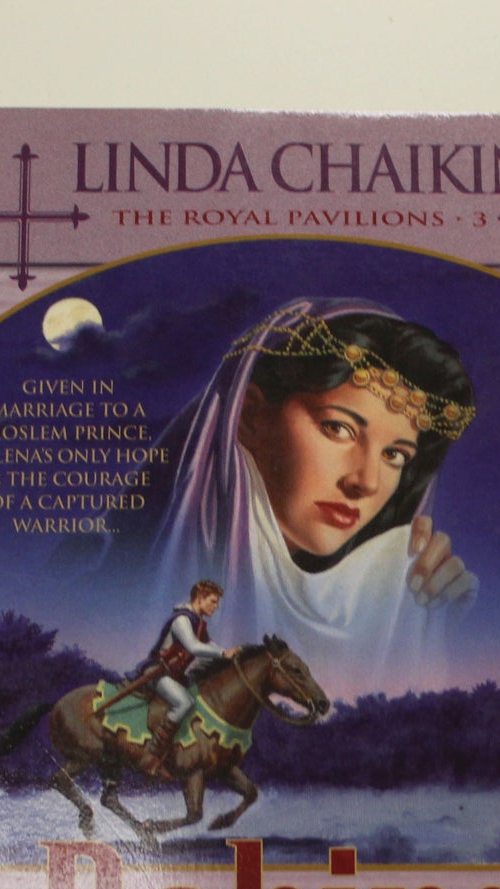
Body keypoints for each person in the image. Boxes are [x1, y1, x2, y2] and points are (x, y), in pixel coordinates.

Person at [149, 299, 477, 700]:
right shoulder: (138, 575)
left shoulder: (395, 586)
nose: (366, 481)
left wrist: (432, 625)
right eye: (338, 428)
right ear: (249, 417)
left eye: (394, 455)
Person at [133, 579, 235, 769]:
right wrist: (223, 653)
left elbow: (209, 646)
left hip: (174, 676)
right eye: (213, 601)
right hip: (157, 671)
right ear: (200, 597)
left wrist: (230, 656)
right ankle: (153, 754)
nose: (216, 607)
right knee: (184, 702)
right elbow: (193, 647)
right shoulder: (182, 620)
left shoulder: (199, 625)